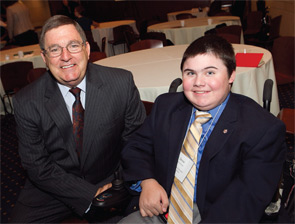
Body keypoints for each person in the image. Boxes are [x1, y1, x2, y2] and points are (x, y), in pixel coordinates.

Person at [119, 35, 287, 223]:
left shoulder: (262, 129)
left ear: (231, 75)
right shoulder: (166, 107)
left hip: (217, 214)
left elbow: (245, 202)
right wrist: (147, 181)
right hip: (163, 206)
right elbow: (136, 147)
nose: (198, 82)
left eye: (210, 72)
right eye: (190, 73)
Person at [10, 15, 146, 223]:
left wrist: (117, 183)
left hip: (109, 179)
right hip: (52, 187)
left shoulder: (121, 83)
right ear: (44, 58)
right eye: (55, 49)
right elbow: (37, 165)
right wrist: (86, 194)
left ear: (87, 49)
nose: (65, 56)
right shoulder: (26, 101)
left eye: (73, 46)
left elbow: (135, 143)